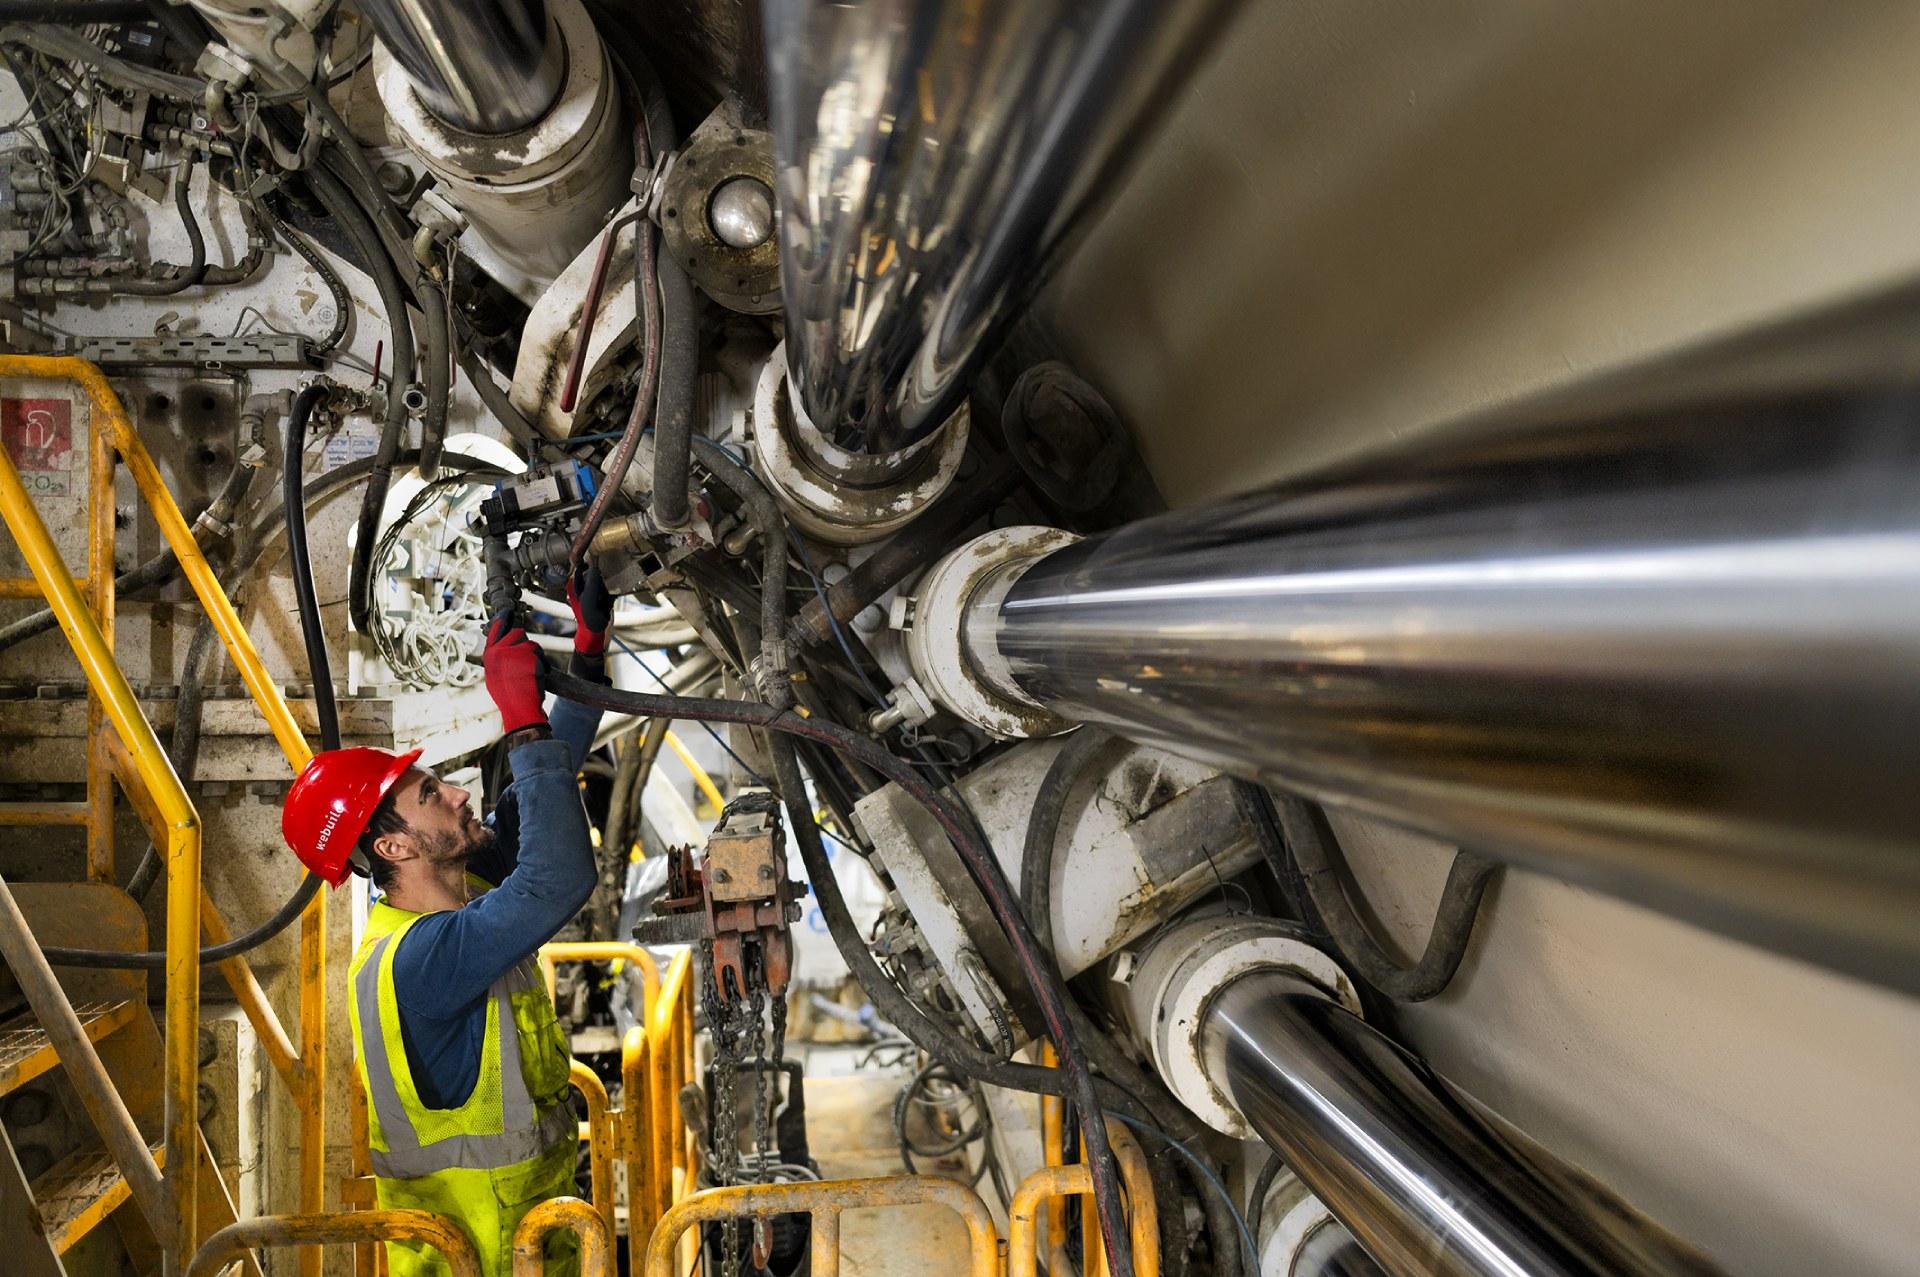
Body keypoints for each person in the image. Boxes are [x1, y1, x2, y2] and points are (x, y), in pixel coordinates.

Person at [281, 567, 616, 1277]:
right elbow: (562, 875)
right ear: (394, 847)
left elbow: (536, 810)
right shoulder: (423, 958)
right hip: (488, 1261)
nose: (462, 793)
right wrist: (519, 716)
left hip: (530, 1247)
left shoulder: (456, 899)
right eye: (432, 793)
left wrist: (588, 655)